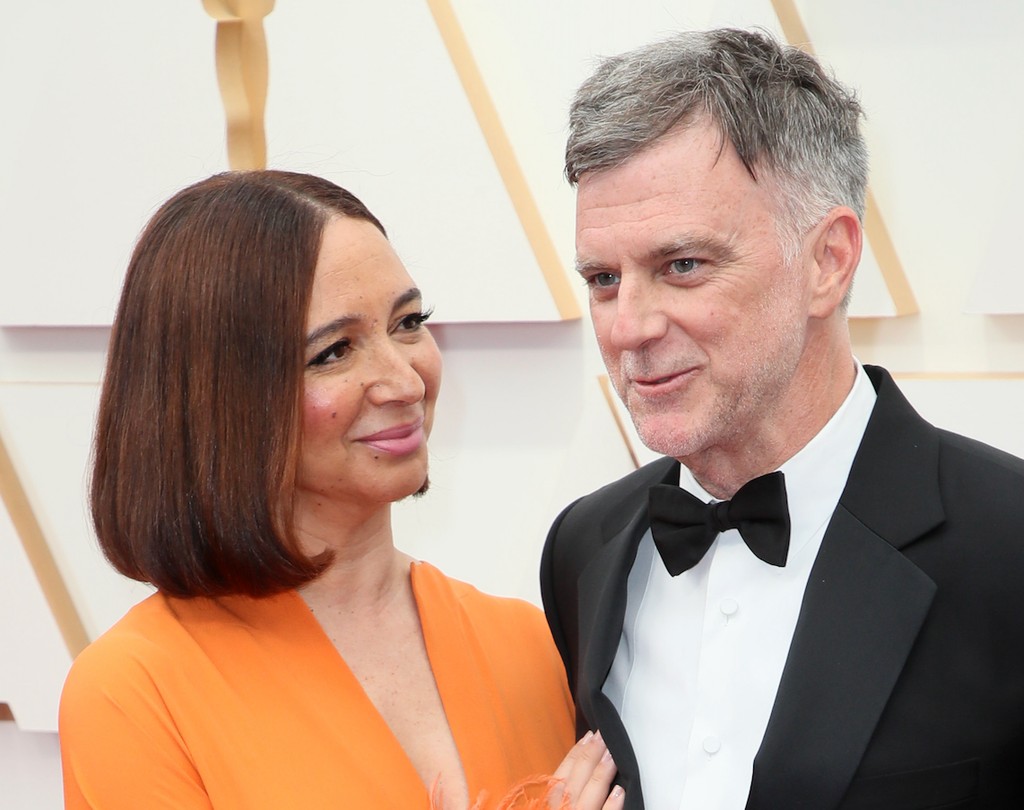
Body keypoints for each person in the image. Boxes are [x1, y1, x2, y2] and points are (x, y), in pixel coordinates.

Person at [541, 27, 1024, 810]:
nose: (628, 326)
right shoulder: (583, 551)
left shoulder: (1008, 542)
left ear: (827, 261)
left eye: (682, 266)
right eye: (602, 278)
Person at [59, 170, 625, 810]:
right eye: (334, 352)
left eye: (408, 322)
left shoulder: (523, 643)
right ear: (219, 399)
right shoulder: (135, 693)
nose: (404, 381)